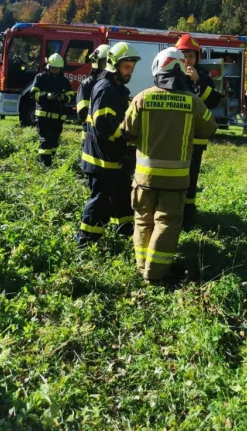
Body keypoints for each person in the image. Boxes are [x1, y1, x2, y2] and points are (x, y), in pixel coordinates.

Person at [120, 47, 218, 284]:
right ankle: (155, 274)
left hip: (144, 177)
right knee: (167, 222)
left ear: (158, 68)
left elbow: (126, 131)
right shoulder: (192, 101)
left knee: (143, 220)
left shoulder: (142, 98)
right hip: (176, 179)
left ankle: (142, 265)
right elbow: (210, 128)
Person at [76, 42, 141, 246]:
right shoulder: (106, 89)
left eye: (132, 68)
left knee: (122, 195)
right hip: (101, 159)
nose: (130, 72)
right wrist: (127, 136)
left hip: (114, 157)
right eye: (126, 67)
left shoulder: (118, 88)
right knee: (101, 201)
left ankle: (125, 229)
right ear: (114, 65)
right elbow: (103, 126)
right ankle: (86, 240)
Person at [174, 33, 225, 230]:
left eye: (191, 56)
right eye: (183, 55)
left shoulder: (203, 77)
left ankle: (187, 219)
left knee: (190, 180)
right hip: (175, 137)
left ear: (197, 58)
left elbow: (212, 102)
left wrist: (197, 81)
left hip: (195, 140)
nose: (187, 60)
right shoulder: (172, 75)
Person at [26, 53, 74, 167]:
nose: (55, 71)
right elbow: (33, 94)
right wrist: (45, 95)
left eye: (57, 69)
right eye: (53, 68)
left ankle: (50, 163)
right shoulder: (40, 78)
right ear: (48, 66)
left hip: (58, 118)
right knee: (45, 141)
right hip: (43, 117)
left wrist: (63, 97)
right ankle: (45, 166)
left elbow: (70, 97)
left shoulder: (64, 81)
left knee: (54, 143)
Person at [76, 44, 112, 142]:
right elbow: (82, 113)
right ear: (97, 62)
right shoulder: (87, 85)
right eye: (105, 62)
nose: (108, 65)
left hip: (109, 138)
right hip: (90, 137)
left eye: (110, 62)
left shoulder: (115, 85)